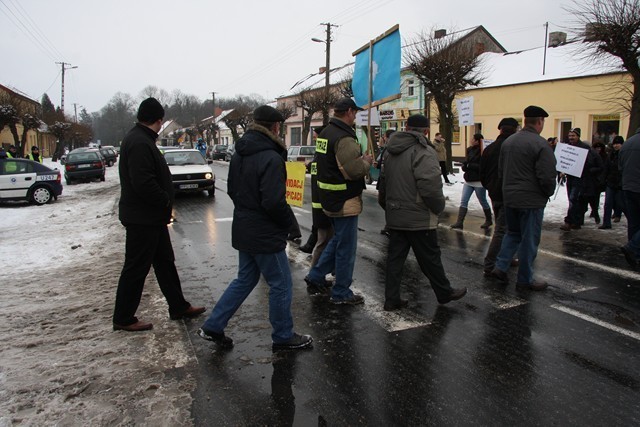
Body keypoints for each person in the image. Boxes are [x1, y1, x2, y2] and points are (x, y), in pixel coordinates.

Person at [198, 105, 313, 350]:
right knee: (281, 283)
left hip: (244, 227)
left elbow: (231, 189)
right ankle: (283, 336)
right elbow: (272, 201)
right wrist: (291, 225)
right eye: (279, 127)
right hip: (264, 233)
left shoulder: (240, 153)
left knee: (245, 279)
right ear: (274, 127)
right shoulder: (271, 156)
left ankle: (214, 325)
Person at [113, 98, 206, 332]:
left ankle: (178, 306)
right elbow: (143, 182)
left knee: (165, 263)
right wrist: (164, 199)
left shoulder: (140, 139)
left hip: (150, 218)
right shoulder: (140, 142)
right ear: (158, 119)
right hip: (142, 218)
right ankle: (123, 318)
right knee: (136, 268)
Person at [378, 114, 467, 310]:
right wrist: (438, 207)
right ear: (426, 131)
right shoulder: (424, 151)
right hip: (418, 215)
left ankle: (391, 299)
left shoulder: (389, 151)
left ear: (407, 127)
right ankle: (444, 292)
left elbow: (383, 185)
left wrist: (388, 207)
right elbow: (430, 187)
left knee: (395, 260)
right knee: (430, 257)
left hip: (395, 214)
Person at [303, 97, 373, 305]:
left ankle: (316, 275)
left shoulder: (325, 133)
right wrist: (366, 162)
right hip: (345, 199)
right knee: (346, 247)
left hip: (329, 197)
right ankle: (341, 292)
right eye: (356, 113)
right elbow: (353, 171)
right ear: (349, 112)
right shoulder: (344, 138)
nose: (356, 117)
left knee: (338, 240)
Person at [489, 106, 557, 291]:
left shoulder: (509, 142)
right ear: (540, 121)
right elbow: (547, 176)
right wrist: (547, 193)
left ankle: (501, 266)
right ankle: (525, 278)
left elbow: (501, 171)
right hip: (531, 200)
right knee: (529, 240)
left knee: (512, 234)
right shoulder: (541, 144)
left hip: (510, 197)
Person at [480, 117, 519, 276]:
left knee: (506, 228)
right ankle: (490, 264)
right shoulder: (512, 148)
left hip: (494, 193)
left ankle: (506, 258)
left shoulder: (490, 148)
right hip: (507, 194)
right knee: (503, 230)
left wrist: (489, 186)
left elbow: (482, 173)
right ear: (515, 130)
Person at [560, 128, 604, 231]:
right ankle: (577, 221)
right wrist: (562, 170)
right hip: (570, 178)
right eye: (570, 136)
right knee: (574, 200)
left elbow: (595, 164)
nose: (571, 138)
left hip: (581, 179)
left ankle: (569, 221)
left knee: (573, 199)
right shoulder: (568, 147)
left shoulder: (585, 148)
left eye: (573, 136)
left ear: (578, 136)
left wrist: (586, 169)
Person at [451, 133, 492, 229]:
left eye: (473, 139)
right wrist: (464, 166)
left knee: (482, 201)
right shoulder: (469, 150)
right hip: (468, 180)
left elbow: (482, 166)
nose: (471, 140)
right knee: (464, 200)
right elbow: (467, 162)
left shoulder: (483, 151)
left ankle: (489, 219)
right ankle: (459, 222)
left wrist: (470, 166)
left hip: (478, 181)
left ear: (477, 141)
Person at [299, 126, 325, 254]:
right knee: (318, 222)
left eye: (315, 137)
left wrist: (310, 164)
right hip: (317, 192)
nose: (315, 140)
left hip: (322, 193)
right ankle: (311, 243)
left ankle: (312, 245)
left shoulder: (324, 148)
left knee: (323, 228)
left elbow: (320, 165)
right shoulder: (320, 149)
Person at [619, 127, 640, 268]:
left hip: (627, 187)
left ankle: (634, 254)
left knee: (634, 222)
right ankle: (633, 247)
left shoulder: (628, 143)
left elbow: (620, 166)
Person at [599, 136, 625, 229]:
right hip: (610, 182)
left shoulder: (624, 154)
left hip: (620, 183)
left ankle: (619, 215)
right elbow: (606, 167)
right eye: (614, 144)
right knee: (608, 203)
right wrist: (603, 179)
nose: (616, 145)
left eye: (618, 143)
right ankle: (606, 223)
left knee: (620, 203)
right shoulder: (611, 154)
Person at [375, 129, 395, 236]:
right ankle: (390, 224)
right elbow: (382, 162)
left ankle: (391, 225)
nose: (383, 138)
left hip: (388, 180)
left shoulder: (392, 149)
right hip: (382, 179)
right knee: (382, 201)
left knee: (386, 202)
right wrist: (377, 165)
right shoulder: (386, 148)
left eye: (384, 136)